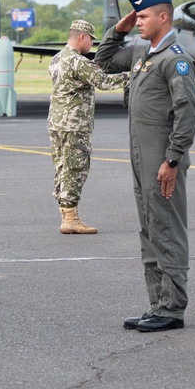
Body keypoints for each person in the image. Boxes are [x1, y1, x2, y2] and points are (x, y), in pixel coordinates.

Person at [95, 0, 195, 332]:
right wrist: (120, 28)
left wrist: (171, 160)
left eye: (142, 16)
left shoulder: (176, 60)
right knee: (150, 229)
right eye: (136, 16)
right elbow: (104, 61)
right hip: (142, 157)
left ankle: (173, 308)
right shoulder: (143, 51)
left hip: (161, 160)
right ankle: (157, 304)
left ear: (163, 17)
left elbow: (188, 115)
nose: (138, 21)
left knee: (167, 228)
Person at [48, 19, 129, 234]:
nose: (91, 45)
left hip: (57, 123)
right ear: (82, 37)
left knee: (62, 167)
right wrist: (134, 75)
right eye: (91, 40)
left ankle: (65, 214)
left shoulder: (56, 58)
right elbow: (104, 82)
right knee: (76, 168)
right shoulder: (77, 61)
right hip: (75, 124)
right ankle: (71, 218)